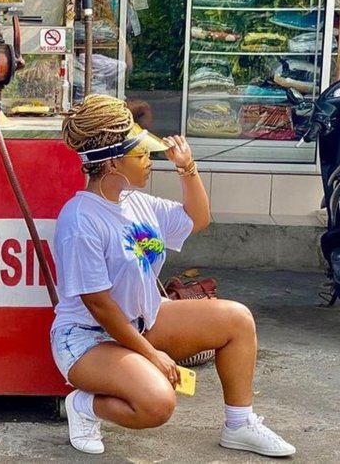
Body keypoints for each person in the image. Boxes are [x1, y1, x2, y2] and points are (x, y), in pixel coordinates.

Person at [51, 95, 295, 458]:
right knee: (157, 404)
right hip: (88, 339)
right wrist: (153, 355)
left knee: (237, 320)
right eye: (141, 154)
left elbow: (198, 219)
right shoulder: (80, 220)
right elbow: (99, 305)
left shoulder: (137, 203)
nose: (150, 160)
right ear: (114, 162)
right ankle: (85, 406)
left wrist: (187, 167)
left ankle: (240, 424)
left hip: (144, 320)